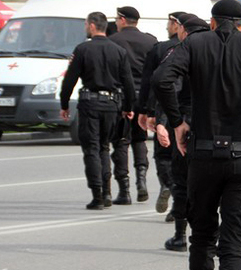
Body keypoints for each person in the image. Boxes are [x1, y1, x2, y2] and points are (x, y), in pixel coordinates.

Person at [153, 0, 241, 268]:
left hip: (203, 154)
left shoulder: (194, 43)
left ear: (213, 21)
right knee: (233, 244)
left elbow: (161, 79)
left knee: (203, 239)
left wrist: (177, 121)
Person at [59, 12, 135, 210]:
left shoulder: (83, 49)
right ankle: (108, 191)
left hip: (90, 104)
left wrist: (64, 103)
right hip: (112, 105)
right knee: (103, 147)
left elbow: (70, 79)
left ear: (92, 26)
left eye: (86, 24)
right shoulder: (118, 50)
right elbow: (128, 82)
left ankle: (98, 195)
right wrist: (128, 108)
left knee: (91, 149)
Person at [155, 15, 210, 253]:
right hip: (217, 124)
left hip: (186, 121)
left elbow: (165, 84)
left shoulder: (181, 51)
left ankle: (180, 235)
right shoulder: (221, 49)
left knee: (182, 181)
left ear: (184, 32)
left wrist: (165, 121)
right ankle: (212, 236)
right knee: (213, 184)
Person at [137, 11, 186, 221]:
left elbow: (149, 82)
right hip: (191, 110)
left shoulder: (161, 49)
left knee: (163, 154)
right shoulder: (200, 47)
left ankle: (169, 186)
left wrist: (146, 112)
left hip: (165, 108)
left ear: (176, 25)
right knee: (185, 157)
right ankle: (181, 204)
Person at [107, 6, 158, 206]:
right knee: (139, 140)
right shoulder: (151, 41)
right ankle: (142, 182)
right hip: (143, 98)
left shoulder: (112, 42)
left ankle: (124, 189)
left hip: (120, 98)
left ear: (121, 19)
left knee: (120, 141)